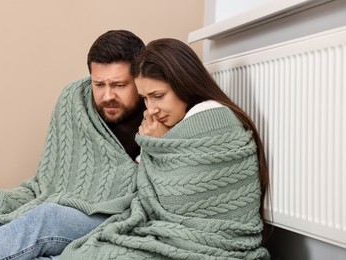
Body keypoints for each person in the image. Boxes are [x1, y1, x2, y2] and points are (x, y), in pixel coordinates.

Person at [59, 38, 271, 259]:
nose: (152, 109)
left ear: (184, 83)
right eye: (145, 99)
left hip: (213, 241)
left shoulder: (212, 116)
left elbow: (177, 201)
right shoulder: (171, 125)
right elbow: (138, 184)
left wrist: (157, 146)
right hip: (174, 234)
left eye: (158, 96)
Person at [0, 30, 145, 259]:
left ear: (139, 79)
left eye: (119, 85)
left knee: (47, 217)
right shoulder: (74, 98)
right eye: (99, 84)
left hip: (109, 212)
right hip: (57, 193)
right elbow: (52, 178)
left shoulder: (158, 110)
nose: (107, 96)